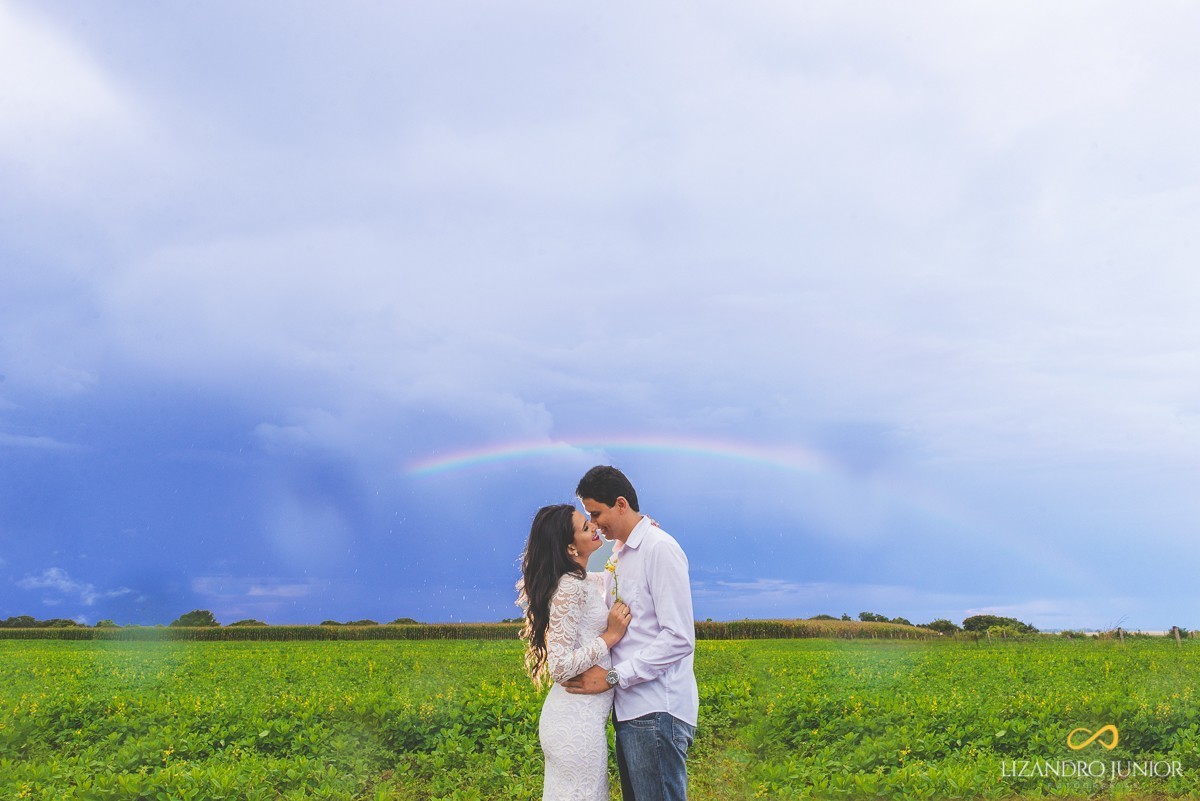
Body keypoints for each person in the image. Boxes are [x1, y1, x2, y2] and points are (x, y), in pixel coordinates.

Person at [563, 465, 698, 801]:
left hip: (655, 710)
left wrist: (613, 677)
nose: (593, 524)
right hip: (631, 712)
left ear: (621, 504)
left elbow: (679, 637)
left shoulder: (659, 548)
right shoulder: (620, 555)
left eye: (596, 513)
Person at [517, 503, 634, 801]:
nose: (594, 526)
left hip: (580, 721)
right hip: (574, 723)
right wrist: (609, 637)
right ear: (570, 547)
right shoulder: (571, 587)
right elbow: (559, 666)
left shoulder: (580, 581)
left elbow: (612, 576)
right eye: (585, 526)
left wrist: (638, 532)